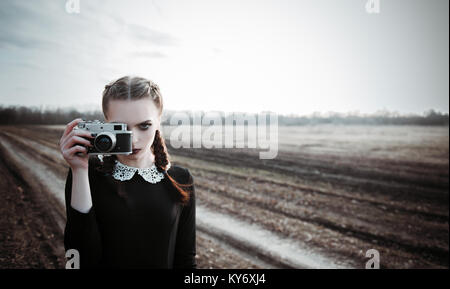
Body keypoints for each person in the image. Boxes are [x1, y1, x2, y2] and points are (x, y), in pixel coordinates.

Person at [59, 76, 196, 268]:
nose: (133, 140)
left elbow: (185, 258)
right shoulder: (88, 174)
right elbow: (78, 258)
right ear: (105, 124)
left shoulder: (181, 179)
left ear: (158, 121)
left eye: (144, 125)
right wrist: (79, 171)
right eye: (121, 128)